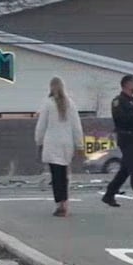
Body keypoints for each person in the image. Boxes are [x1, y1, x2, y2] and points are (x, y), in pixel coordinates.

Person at [34, 77, 84, 217]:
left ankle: (59, 204)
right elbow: (76, 126)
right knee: (64, 174)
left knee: (56, 176)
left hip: (52, 143)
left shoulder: (47, 104)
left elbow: (41, 126)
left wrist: (38, 141)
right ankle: (65, 203)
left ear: (51, 87)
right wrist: (79, 144)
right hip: (66, 144)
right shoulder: (70, 104)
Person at [102, 75, 133, 209]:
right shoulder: (119, 101)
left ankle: (109, 193)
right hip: (126, 138)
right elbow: (120, 118)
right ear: (127, 84)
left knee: (125, 169)